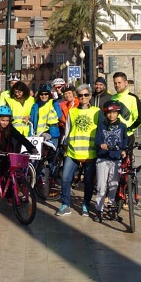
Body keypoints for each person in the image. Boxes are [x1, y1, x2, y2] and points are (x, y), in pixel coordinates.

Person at [0, 105, 38, 216]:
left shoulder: (9, 127)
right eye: (3, 120)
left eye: (7, 120)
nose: (5, 122)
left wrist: (31, 147)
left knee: (10, 174)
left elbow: (20, 137)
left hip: (4, 153)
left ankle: (10, 196)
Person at [60, 84, 100, 217]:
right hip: (73, 151)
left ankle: (86, 205)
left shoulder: (97, 111)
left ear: (90, 96)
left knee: (88, 181)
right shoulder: (72, 111)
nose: (83, 97)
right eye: (81, 95)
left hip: (90, 152)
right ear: (77, 96)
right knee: (65, 178)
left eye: (86, 95)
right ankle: (65, 204)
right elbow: (67, 130)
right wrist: (65, 146)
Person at [94, 101, 129, 222]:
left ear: (118, 113)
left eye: (114, 112)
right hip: (103, 158)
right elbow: (97, 140)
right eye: (109, 113)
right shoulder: (101, 125)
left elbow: (125, 140)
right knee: (101, 185)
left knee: (113, 185)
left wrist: (124, 150)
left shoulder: (122, 126)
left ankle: (111, 208)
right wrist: (101, 145)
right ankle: (99, 209)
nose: (111, 115)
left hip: (116, 159)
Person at [110, 72, 141, 147]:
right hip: (113, 136)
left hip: (127, 136)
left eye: (119, 83)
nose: (117, 85)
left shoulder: (133, 98)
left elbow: (140, 119)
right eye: (115, 83)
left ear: (126, 83)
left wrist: (129, 129)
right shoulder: (112, 98)